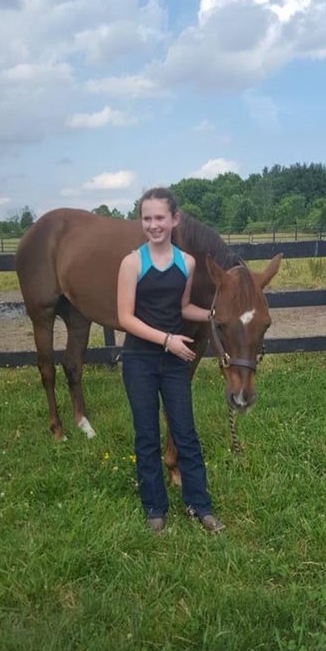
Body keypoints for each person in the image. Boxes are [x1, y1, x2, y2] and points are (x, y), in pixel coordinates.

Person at [117, 187, 225, 534]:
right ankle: (154, 508)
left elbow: (182, 308)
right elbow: (125, 318)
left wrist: (214, 313)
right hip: (139, 360)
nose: (153, 225)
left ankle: (200, 505)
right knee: (146, 435)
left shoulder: (186, 262)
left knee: (186, 434)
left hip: (174, 362)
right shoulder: (132, 262)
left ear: (174, 219)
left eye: (159, 217)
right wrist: (167, 340)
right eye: (147, 218)